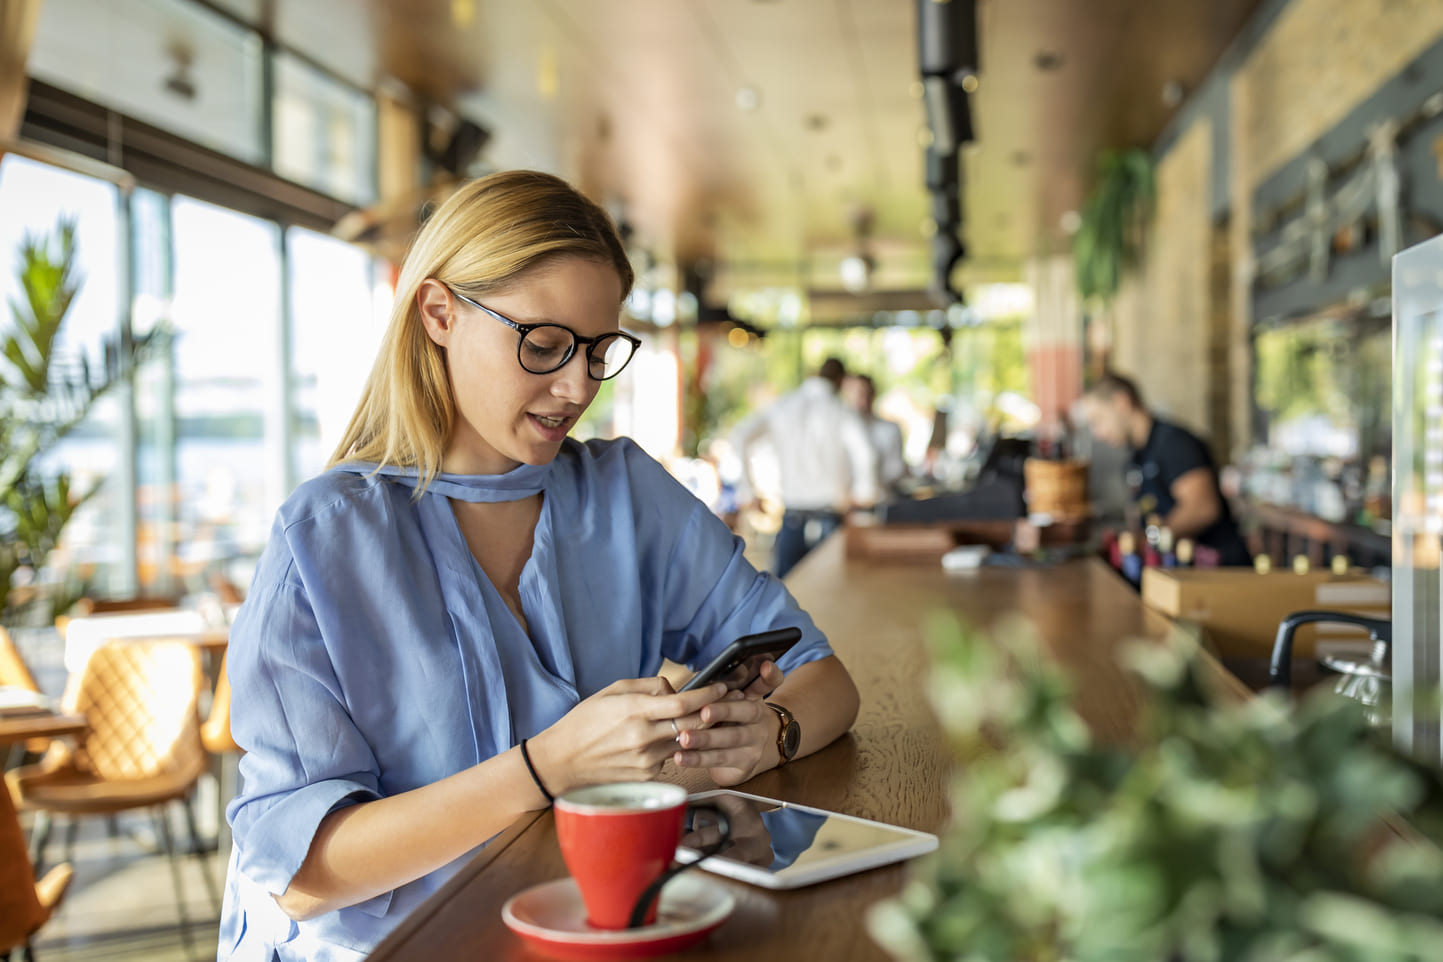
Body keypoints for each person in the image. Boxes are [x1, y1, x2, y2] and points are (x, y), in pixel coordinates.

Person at [219, 170, 860, 961]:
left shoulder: (626, 495)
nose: (576, 386)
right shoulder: (325, 538)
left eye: (598, 351)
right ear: (440, 314)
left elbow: (827, 680)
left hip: (590, 931)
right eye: (545, 345)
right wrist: (549, 766)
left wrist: (768, 734)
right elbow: (301, 875)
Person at [1080, 371, 1251, 566]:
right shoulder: (1136, 458)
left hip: (1220, 574)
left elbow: (1203, 508)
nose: (1097, 434)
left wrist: (1147, 540)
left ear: (1122, 402)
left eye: (1098, 420)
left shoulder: (1174, 444)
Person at [732, 358, 878, 579]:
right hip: (831, 518)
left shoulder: (782, 406)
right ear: (840, 380)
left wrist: (748, 491)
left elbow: (740, 437)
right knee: (834, 596)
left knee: (788, 595)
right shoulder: (841, 411)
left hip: (792, 519)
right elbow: (866, 453)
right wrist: (863, 495)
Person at [843, 373, 908, 496]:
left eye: (866, 394)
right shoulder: (840, 429)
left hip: (881, 499)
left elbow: (896, 470)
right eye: (857, 394)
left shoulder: (890, 429)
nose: (862, 400)